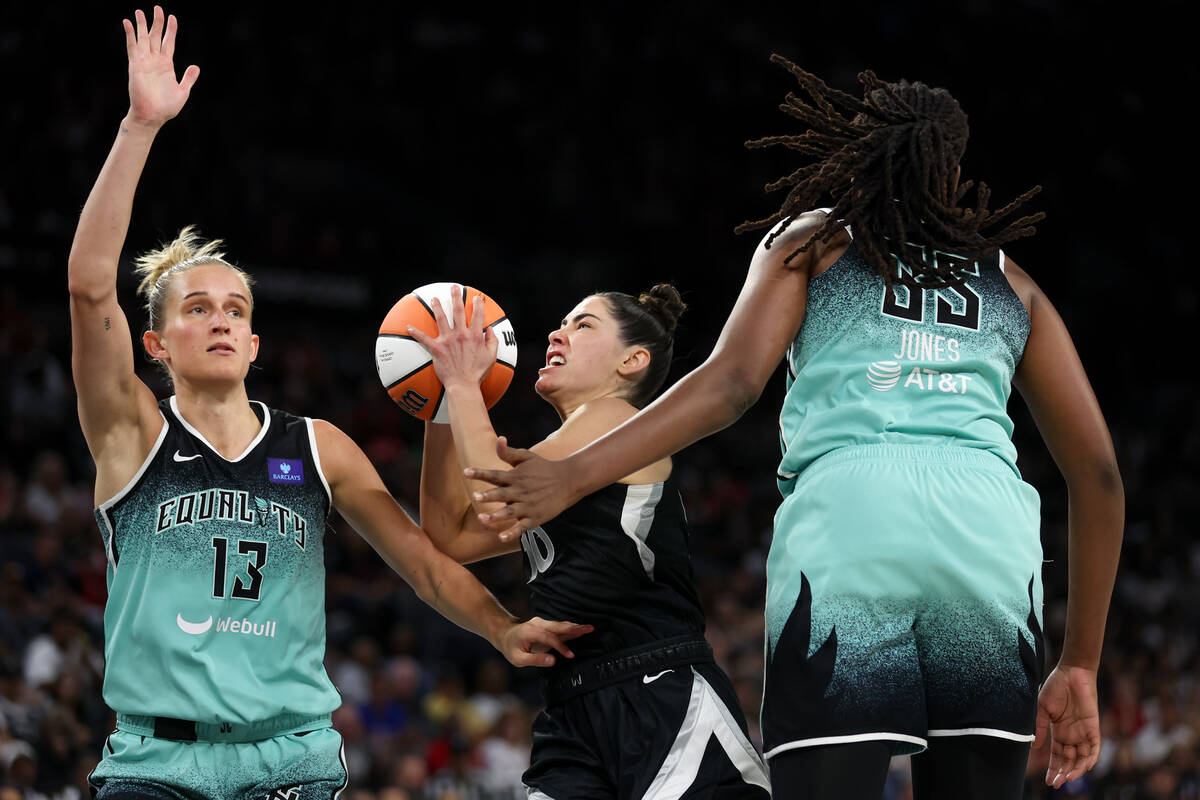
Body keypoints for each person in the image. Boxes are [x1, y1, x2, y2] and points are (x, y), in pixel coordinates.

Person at [463, 56, 1125, 799]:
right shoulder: (1012, 283)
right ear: (955, 169)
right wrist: (1080, 665)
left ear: (858, 155)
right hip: (990, 532)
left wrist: (573, 473)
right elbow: (1097, 475)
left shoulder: (819, 239)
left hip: (855, 515)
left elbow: (735, 382)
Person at [68, 8, 588, 799]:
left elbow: (422, 562)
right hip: (155, 764)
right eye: (197, 309)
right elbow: (87, 286)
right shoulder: (130, 430)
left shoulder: (318, 446)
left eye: (236, 311)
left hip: (293, 761)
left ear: (253, 346)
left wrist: (502, 626)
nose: (219, 320)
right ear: (156, 347)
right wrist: (140, 127)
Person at [413, 286, 771, 798]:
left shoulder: (618, 417)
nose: (558, 333)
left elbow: (495, 499)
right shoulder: (555, 470)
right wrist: (442, 403)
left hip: (660, 690)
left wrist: (465, 384)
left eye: (583, 325)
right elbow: (450, 536)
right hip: (571, 709)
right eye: (563, 323)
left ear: (633, 360)